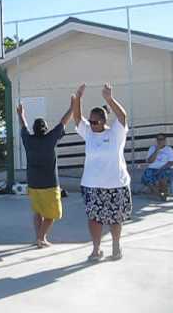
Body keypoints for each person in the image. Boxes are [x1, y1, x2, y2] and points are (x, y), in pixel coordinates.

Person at [73, 83, 132, 261]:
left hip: (116, 184)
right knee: (94, 218)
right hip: (92, 185)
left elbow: (123, 116)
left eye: (95, 122)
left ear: (104, 121)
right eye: (90, 121)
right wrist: (78, 99)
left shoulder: (116, 134)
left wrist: (109, 99)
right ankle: (96, 249)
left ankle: (116, 246)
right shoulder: (89, 133)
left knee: (115, 219)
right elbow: (76, 118)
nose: (91, 124)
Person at [17, 96, 73, 248]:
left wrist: (20, 114)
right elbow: (63, 122)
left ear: (34, 130)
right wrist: (72, 107)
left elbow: (23, 126)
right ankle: (41, 238)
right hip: (49, 184)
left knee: (38, 212)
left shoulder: (28, 140)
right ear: (46, 128)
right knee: (52, 214)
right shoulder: (50, 139)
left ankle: (40, 238)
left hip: (33, 183)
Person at [141, 133, 173, 198]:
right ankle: (159, 194)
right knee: (147, 177)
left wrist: (161, 169)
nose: (159, 141)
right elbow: (149, 161)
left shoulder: (169, 149)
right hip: (152, 168)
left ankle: (165, 192)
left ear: (165, 140)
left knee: (164, 176)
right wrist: (156, 150)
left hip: (164, 168)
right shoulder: (152, 148)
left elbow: (172, 162)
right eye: (158, 139)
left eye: (161, 139)